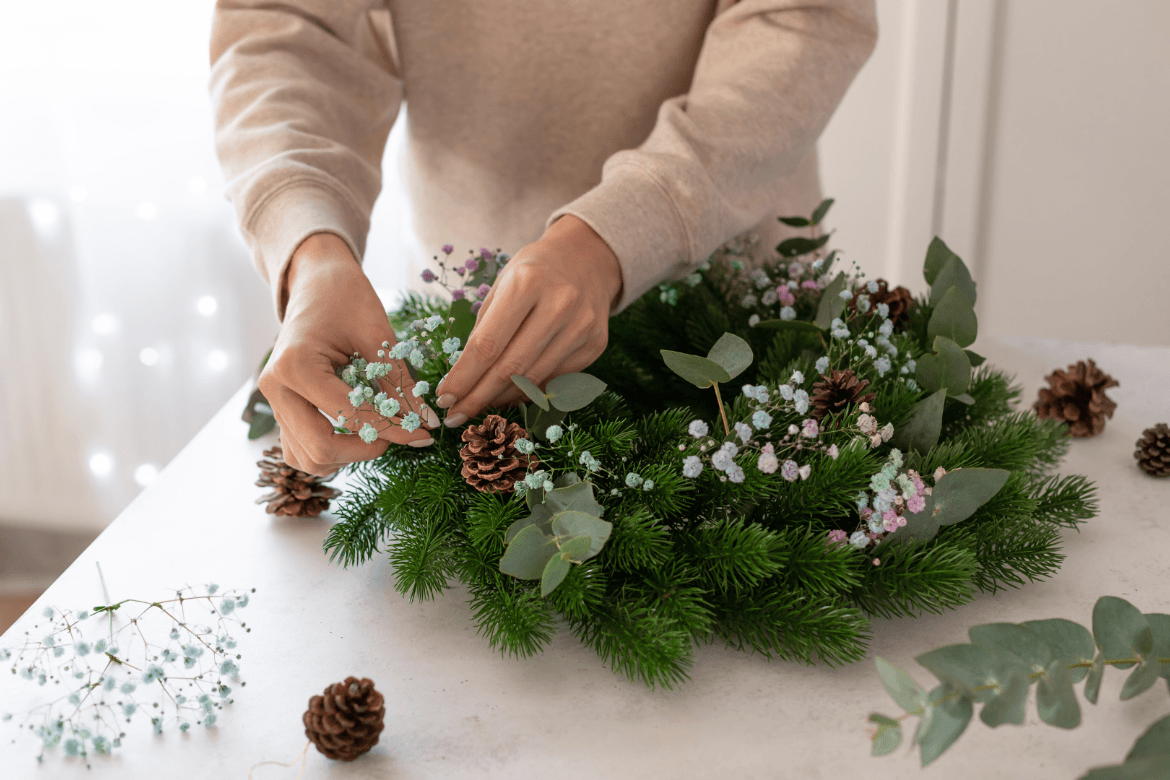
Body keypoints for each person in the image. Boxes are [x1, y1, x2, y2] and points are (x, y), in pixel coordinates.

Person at [210, 0, 877, 475]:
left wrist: (621, 229)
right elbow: (287, 27)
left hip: (736, 339)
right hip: (472, 338)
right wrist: (312, 251)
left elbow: (802, 16)